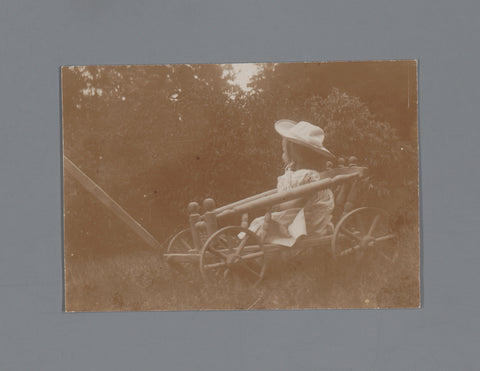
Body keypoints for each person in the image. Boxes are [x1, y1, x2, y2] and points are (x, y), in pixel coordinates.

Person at [248, 120, 336, 247]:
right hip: (299, 216)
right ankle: (253, 243)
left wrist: (276, 205)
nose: (282, 155)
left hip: (305, 221)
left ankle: (255, 247)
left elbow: (297, 201)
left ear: (295, 154)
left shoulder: (306, 177)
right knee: (261, 222)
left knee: (261, 222)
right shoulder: (299, 175)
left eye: (284, 151)